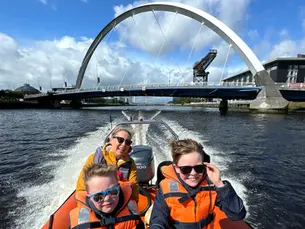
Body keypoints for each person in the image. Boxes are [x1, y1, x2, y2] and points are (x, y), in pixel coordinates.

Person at [149, 139, 247, 229]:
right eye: (186, 169)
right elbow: (158, 220)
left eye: (198, 168)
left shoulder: (212, 186)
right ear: (176, 168)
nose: (193, 173)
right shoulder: (166, 188)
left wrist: (219, 184)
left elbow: (237, 214)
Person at [69, 164, 145, 229]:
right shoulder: (80, 220)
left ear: (119, 187)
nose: (107, 198)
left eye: (113, 192)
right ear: (89, 197)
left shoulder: (131, 207)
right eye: (98, 196)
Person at [76, 127, 139, 202]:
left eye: (127, 142)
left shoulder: (130, 164)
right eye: (120, 140)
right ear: (111, 140)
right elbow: (81, 188)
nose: (123, 144)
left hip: (119, 204)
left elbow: (134, 190)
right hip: (97, 202)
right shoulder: (94, 158)